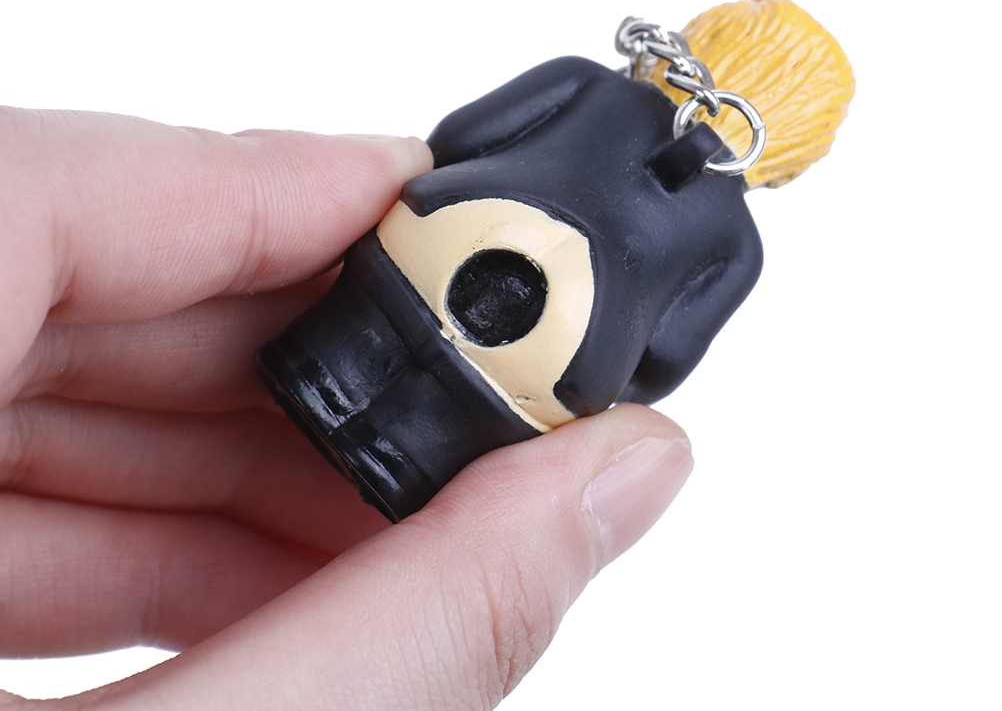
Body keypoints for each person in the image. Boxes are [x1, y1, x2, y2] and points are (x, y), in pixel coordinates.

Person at [0, 108, 693, 709]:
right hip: (559, 355)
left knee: (348, 343)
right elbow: (666, 357)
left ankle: (310, 374)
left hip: (448, 228)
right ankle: (401, 468)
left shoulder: (592, 86)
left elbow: (461, 137)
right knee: (440, 423)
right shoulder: (734, 238)